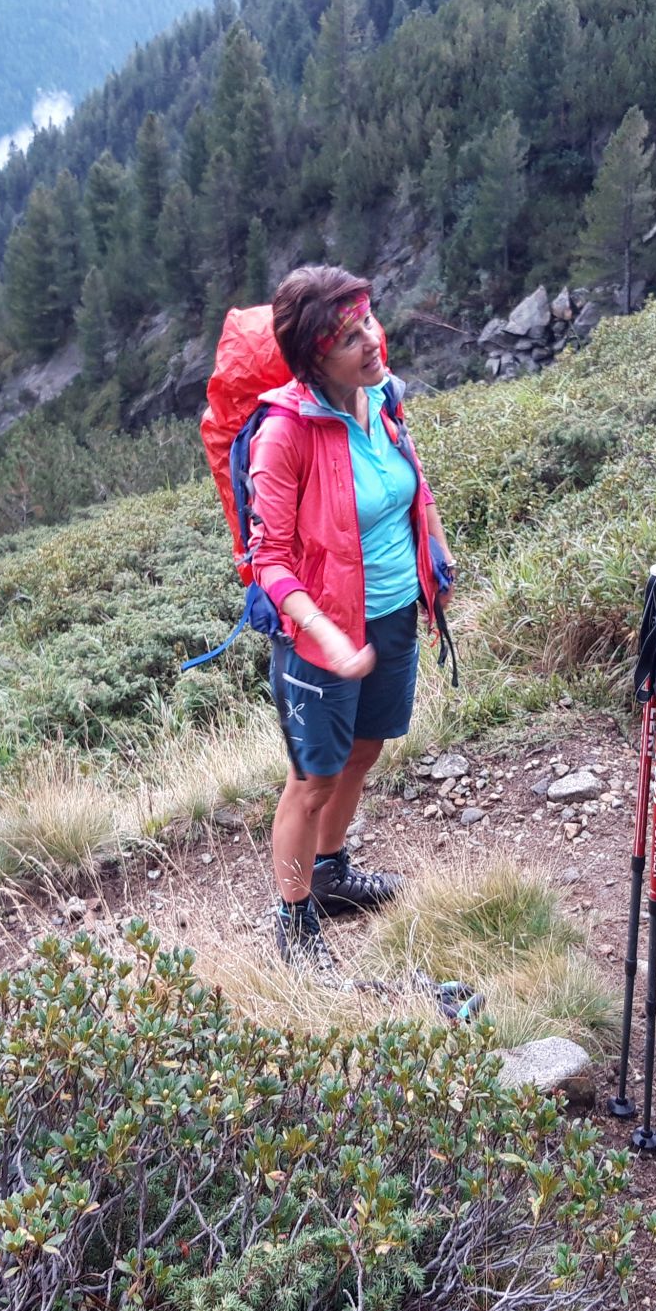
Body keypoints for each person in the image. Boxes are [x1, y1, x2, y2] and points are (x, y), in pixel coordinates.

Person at [248, 265, 454, 971]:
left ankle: (331, 874)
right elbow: (269, 558)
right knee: (313, 781)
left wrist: (437, 556)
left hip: (393, 616)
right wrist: (327, 634)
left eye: (368, 320)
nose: (371, 340)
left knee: (363, 752)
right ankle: (293, 922)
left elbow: (413, 483)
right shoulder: (285, 434)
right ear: (313, 360)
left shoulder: (383, 395)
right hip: (320, 640)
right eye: (348, 337)